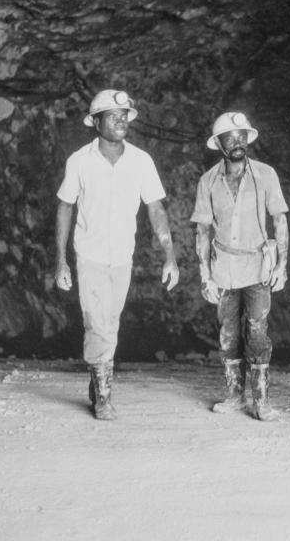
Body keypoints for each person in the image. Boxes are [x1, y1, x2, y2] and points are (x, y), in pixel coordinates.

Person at [54, 89, 180, 421]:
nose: (121, 120)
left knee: (110, 322)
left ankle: (97, 378)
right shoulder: (79, 161)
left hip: (122, 256)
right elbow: (65, 207)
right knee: (97, 322)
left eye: (124, 115)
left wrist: (170, 255)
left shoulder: (141, 161)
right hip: (90, 254)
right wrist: (61, 261)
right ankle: (104, 399)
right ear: (96, 122)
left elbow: (156, 208)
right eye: (112, 115)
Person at [191, 112, 290, 421]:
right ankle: (234, 395)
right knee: (228, 334)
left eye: (241, 136)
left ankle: (260, 399)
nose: (237, 142)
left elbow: (280, 220)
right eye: (230, 137)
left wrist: (282, 265)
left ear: (248, 139)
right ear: (218, 143)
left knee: (258, 331)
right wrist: (205, 274)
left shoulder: (265, 175)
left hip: (258, 265)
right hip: (223, 268)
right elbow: (202, 231)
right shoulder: (207, 180)